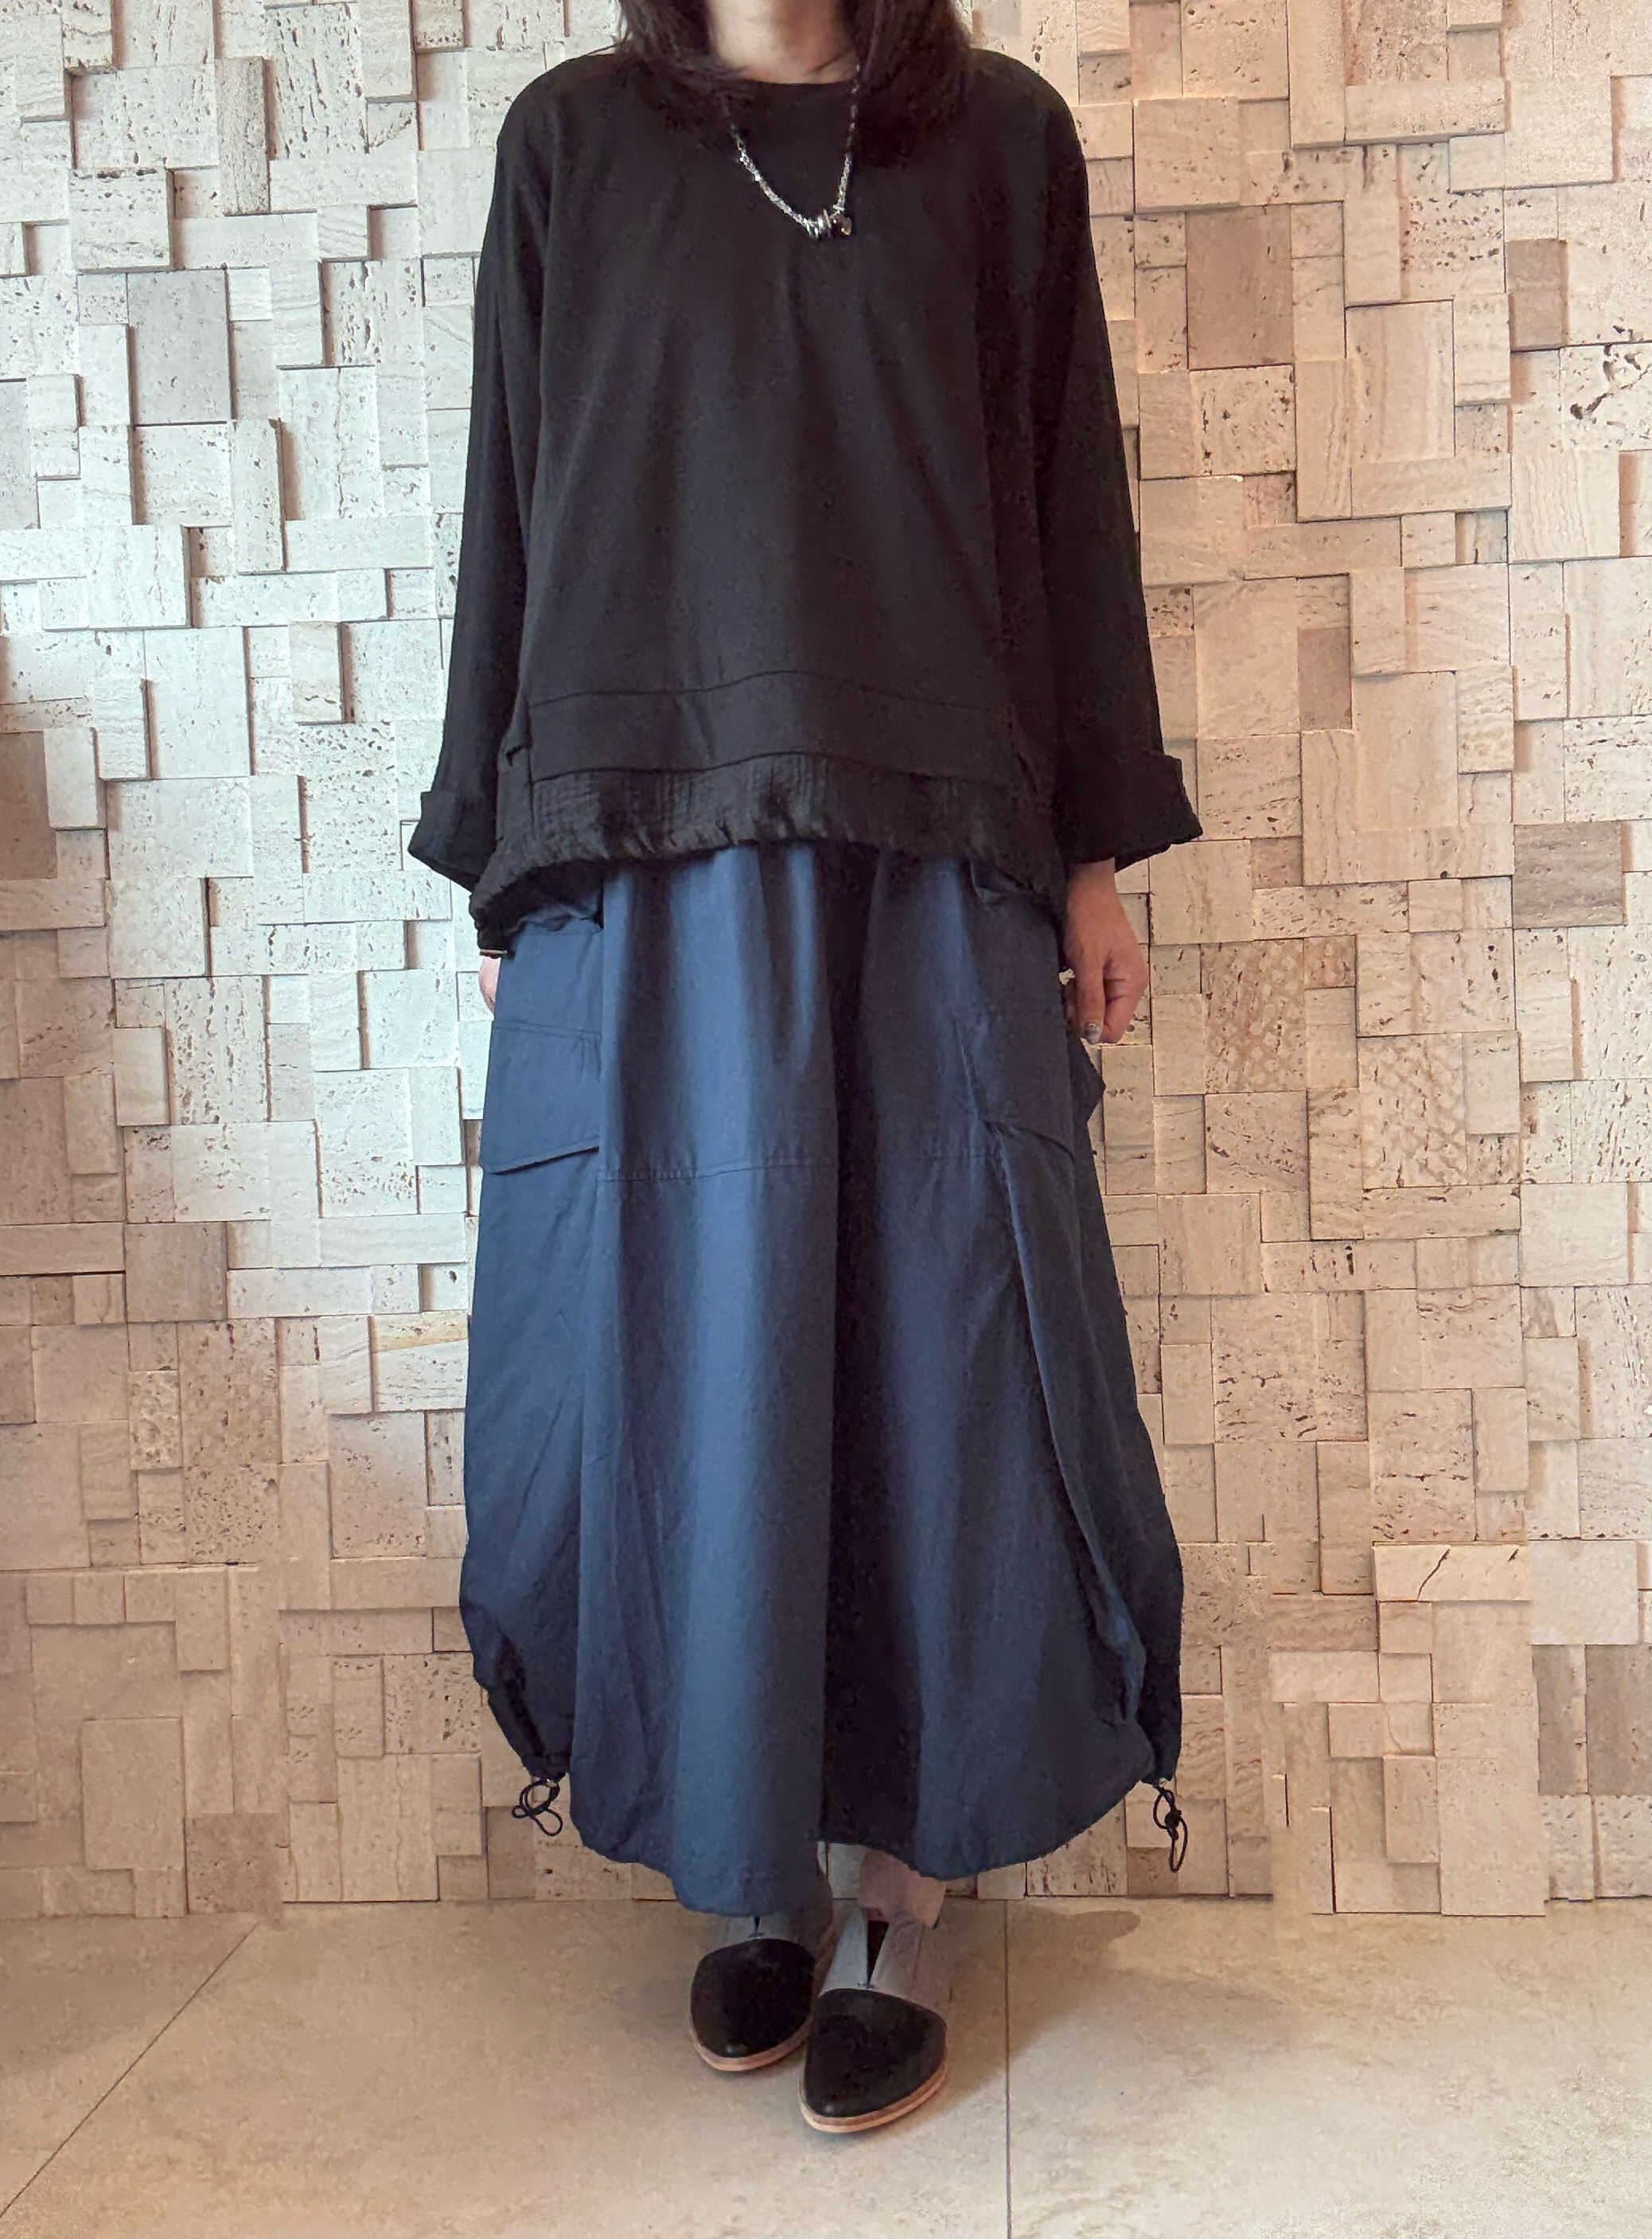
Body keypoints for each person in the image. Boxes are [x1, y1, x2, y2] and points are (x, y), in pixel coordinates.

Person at [409, 0, 1202, 2136]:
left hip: (942, 847)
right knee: (694, 1363)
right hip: (649, 849)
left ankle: (901, 1892)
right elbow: (512, 498)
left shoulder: (1000, 142)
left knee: (945, 1358)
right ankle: (750, 1866)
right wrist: (502, 858)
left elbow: (1068, 504)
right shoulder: (570, 145)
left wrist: (1094, 855)